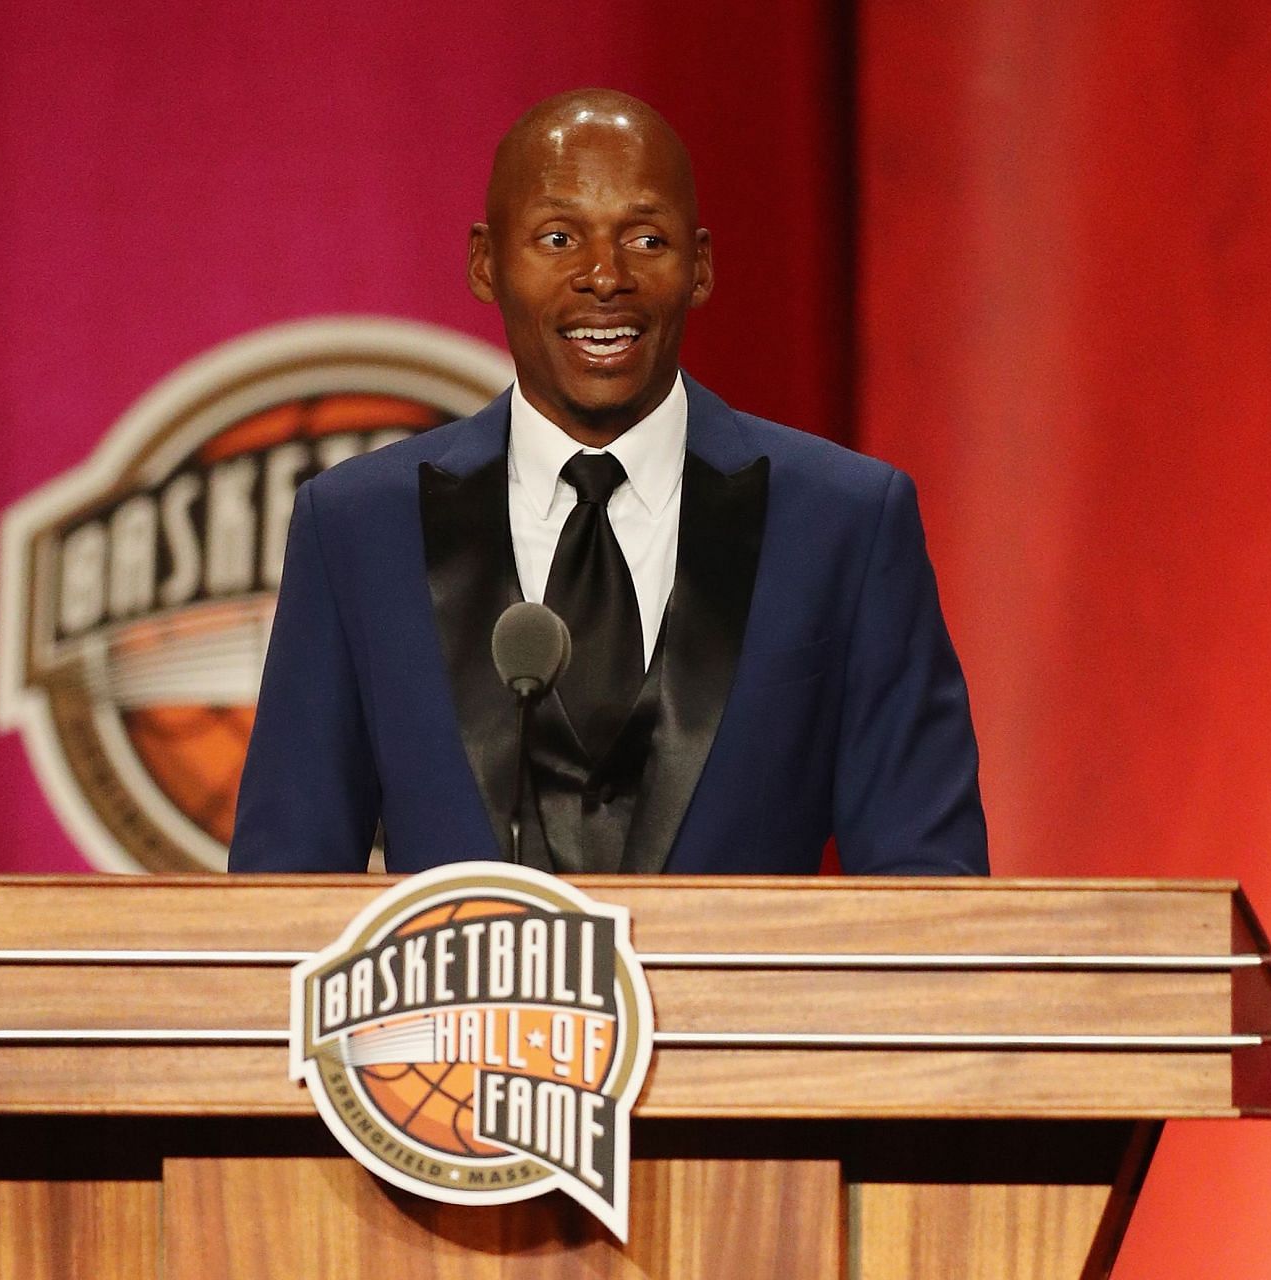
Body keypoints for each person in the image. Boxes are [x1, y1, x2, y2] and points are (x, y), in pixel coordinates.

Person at [229, 89, 986, 876]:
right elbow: (280, 892)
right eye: (559, 237)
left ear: (700, 266)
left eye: (647, 240)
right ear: (485, 263)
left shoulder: (847, 524)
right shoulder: (356, 529)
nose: (603, 276)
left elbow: (929, 891)